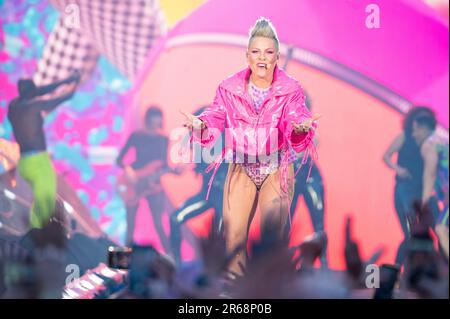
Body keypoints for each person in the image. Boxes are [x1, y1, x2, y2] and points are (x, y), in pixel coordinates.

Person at [181, 17, 318, 274]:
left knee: (272, 240)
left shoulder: (291, 89)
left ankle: (267, 293)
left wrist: (300, 130)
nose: (262, 58)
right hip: (241, 166)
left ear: (276, 56)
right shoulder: (228, 88)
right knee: (234, 238)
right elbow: (215, 117)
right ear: (247, 55)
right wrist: (201, 126)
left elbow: (297, 120)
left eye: (268, 52)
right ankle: (236, 294)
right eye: (256, 52)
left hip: (276, 168)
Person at [7, 72, 80, 229]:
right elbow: (62, 98)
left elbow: (41, 91)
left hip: (25, 163)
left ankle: (37, 234)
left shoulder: (13, 106)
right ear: (32, 93)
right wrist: (73, 85)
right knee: (45, 204)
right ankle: (36, 237)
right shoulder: (34, 107)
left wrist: (66, 79)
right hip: (38, 163)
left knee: (40, 203)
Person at [383, 106, 447, 265]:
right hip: (405, 190)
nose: (415, 132)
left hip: (424, 190)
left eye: (418, 129)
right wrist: (398, 169)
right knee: (412, 235)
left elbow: (433, 173)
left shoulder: (432, 143)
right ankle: (397, 272)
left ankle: (442, 269)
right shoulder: (406, 137)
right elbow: (386, 156)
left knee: (440, 231)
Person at [170, 107, 228, 265]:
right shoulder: (199, 145)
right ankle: (177, 265)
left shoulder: (227, 140)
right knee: (175, 218)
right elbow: (199, 164)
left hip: (224, 199)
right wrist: (187, 166)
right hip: (207, 196)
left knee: (218, 233)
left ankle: (221, 271)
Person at [116, 106, 174, 249]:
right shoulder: (137, 136)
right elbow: (119, 160)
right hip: (134, 182)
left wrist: (174, 170)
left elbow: (164, 164)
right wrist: (128, 170)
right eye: (154, 117)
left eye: (158, 117)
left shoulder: (164, 139)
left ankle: (171, 257)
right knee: (130, 224)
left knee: (159, 224)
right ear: (148, 119)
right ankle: (126, 260)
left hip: (153, 184)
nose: (156, 121)